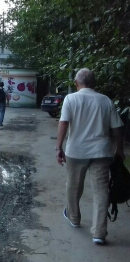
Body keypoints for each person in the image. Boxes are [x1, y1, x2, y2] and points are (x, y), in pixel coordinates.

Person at [55, 68, 124, 245]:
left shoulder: (71, 99)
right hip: (101, 152)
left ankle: (74, 218)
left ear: (77, 83)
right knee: (101, 191)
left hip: (76, 152)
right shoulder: (105, 100)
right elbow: (117, 128)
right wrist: (119, 149)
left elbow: (63, 122)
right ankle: (99, 233)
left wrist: (58, 147)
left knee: (73, 185)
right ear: (94, 83)